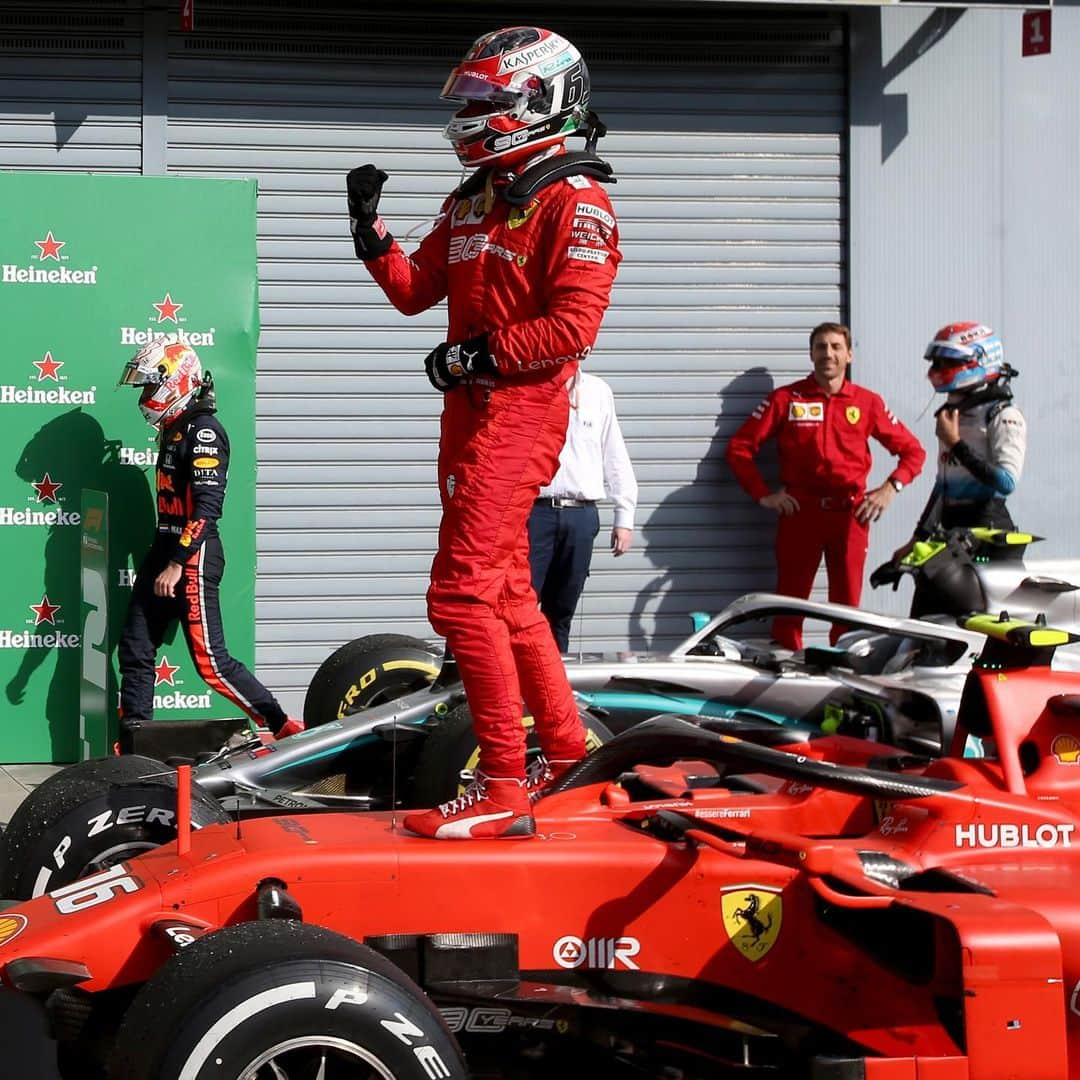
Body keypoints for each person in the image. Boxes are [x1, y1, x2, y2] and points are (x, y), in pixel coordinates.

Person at [346, 26, 621, 839]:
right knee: (504, 590)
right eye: (466, 104)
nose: (467, 117)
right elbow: (414, 289)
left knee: (460, 591)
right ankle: (565, 755)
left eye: (483, 103)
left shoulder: (577, 199)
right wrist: (370, 231)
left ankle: (502, 783)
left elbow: (573, 327)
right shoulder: (473, 196)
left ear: (537, 102)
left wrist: (477, 355)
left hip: (521, 410)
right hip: (467, 414)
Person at [116, 335, 302, 753]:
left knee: (211, 663)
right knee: (135, 646)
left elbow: (207, 508)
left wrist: (178, 562)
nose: (145, 395)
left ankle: (284, 728)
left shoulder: (203, 432)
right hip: (164, 551)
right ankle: (136, 747)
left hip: (192, 557)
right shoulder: (174, 427)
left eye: (149, 385)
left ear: (174, 381)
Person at [725, 322, 926, 650]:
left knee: (846, 607)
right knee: (789, 603)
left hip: (850, 515)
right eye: (821, 347)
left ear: (849, 355)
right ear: (811, 354)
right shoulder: (787, 399)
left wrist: (890, 489)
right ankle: (785, 671)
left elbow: (913, 452)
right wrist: (763, 494)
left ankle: (843, 667)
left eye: (835, 347)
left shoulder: (866, 402)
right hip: (800, 514)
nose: (828, 354)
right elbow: (739, 449)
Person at [892, 322, 1026, 610]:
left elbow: (1006, 482)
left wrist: (955, 444)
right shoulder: (951, 413)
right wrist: (916, 539)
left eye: (948, 362)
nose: (938, 369)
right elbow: (943, 486)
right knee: (924, 625)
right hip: (950, 532)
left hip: (988, 534)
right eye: (937, 362)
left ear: (979, 360)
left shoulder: (1004, 414)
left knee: (980, 636)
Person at [527, 370, 637, 653]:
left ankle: (555, 685)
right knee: (522, 605)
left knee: (561, 612)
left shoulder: (597, 391)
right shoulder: (530, 386)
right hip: (536, 512)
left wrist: (624, 515)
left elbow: (614, 453)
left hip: (580, 515)